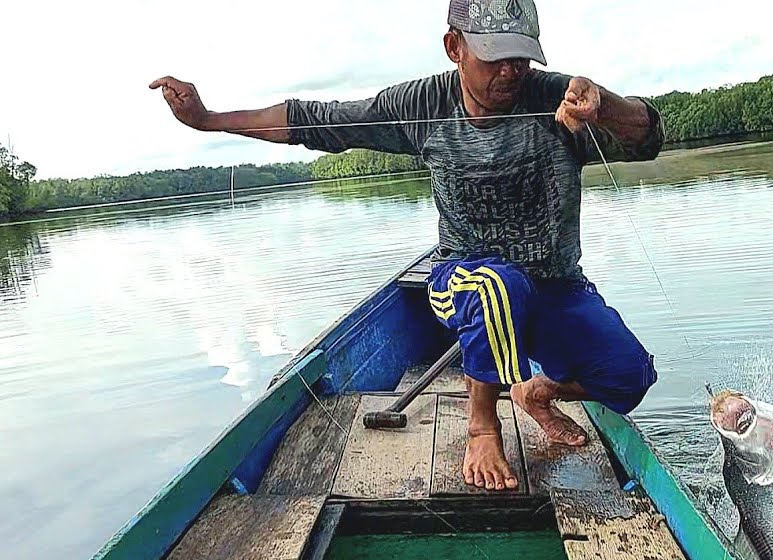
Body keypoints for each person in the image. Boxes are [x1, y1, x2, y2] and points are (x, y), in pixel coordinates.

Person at [150, 0, 662, 492]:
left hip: (555, 286)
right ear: (454, 46)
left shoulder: (554, 95)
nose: (510, 70)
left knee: (629, 377)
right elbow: (318, 120)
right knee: (497, 286)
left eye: (520, 56)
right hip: (465, 280)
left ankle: (537, 391)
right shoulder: (423, 105)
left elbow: (646, 138)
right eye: (494, 56)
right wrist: (209, 119)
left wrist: (605, 107)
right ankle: (482, 428)